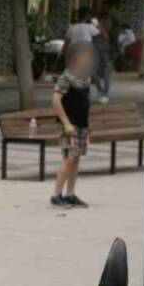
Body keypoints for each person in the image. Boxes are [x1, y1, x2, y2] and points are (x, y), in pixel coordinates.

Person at [51, 41, 96, 209]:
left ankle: (70, 194)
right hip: (69, 124)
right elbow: (55, 100)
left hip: (81, 124)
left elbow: (84, 103)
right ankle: (56, 195)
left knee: (76, 159)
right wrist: (66, 123)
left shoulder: (85, 78)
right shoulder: (66, 76)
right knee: (68, 158)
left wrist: (87, 126)